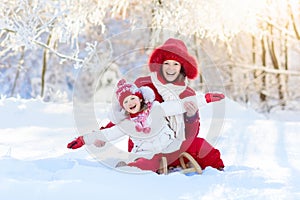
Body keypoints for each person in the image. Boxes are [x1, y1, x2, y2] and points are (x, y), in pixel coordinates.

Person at [97, 38, 225, 172]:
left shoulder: (187, 93)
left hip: (174, 144)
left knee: (203, 148)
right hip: (146, 146)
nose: (171, 68)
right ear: (160, 64)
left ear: (182, 67)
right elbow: (125, 112)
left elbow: (192, 133)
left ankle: (217, 173)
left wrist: (191, 117)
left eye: (176, 64)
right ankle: (136, 167)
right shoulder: (144, 85)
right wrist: (102, 134)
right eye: (166, 63)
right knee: (148, 161)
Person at [67, 78, 202, 162]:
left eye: (132, 98)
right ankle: (133, 170)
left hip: (169, 147)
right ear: (123, 107)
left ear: (140, 98)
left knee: (197, 147)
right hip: (146, 154)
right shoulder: (126, 123)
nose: (130, 102)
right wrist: (83, 139)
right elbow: (109, 133)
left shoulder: (156, 108)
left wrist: (206, 99)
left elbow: (179, 106)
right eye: (126, 101)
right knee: (140, 164)